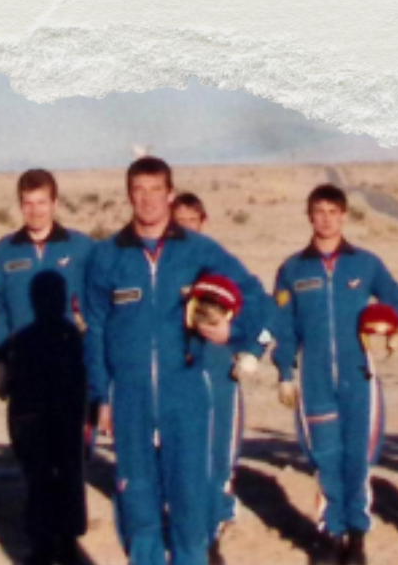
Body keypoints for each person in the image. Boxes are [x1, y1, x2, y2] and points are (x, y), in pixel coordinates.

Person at [83, 156, 268, 565]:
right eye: (139, 190)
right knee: (138, 504)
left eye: (155, 190)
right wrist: (103, 397)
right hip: (129, 400)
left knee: (189, 502)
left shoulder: (199, 250)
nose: (147, 200)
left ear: (170, 194)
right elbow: (95, 332)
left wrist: (234, 336)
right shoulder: (106, 256)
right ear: (129, 194)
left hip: (185, 395)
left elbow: (260, 302)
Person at [271, 184, 398, 565]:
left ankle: (357, 536)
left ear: (345, 215)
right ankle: (331, 535)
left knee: (357, 459)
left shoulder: (365, 263)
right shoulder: (292, 269)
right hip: (314, 378)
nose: (326, 218)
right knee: (325, 459)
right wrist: (285, 372)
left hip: (358, 377)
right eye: (319, 211)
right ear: (309, 216)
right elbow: (282, 326)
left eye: (333, 211)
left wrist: (397, 330)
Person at [0, 169, 98, 565]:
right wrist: (1, 358)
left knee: (68, 461)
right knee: (32, 460)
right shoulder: (5, 251)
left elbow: (96, 302)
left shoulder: (81, 248)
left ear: (55, 202)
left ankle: (67, 543)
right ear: (20, 204)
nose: (35, 211)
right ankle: (39, 542)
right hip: (25, 374)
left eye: (42, 202)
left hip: (70, 373)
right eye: (28, 203)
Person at [172, 189, 268, 565]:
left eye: (192, 223)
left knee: (215, 462)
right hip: (173, 378)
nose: (186, 231)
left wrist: (246, 345)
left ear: (204, 223)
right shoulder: (160, 267)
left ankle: (210, 538)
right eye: (178, 224)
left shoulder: (218, 264)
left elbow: (264, 308)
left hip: (216, 375)